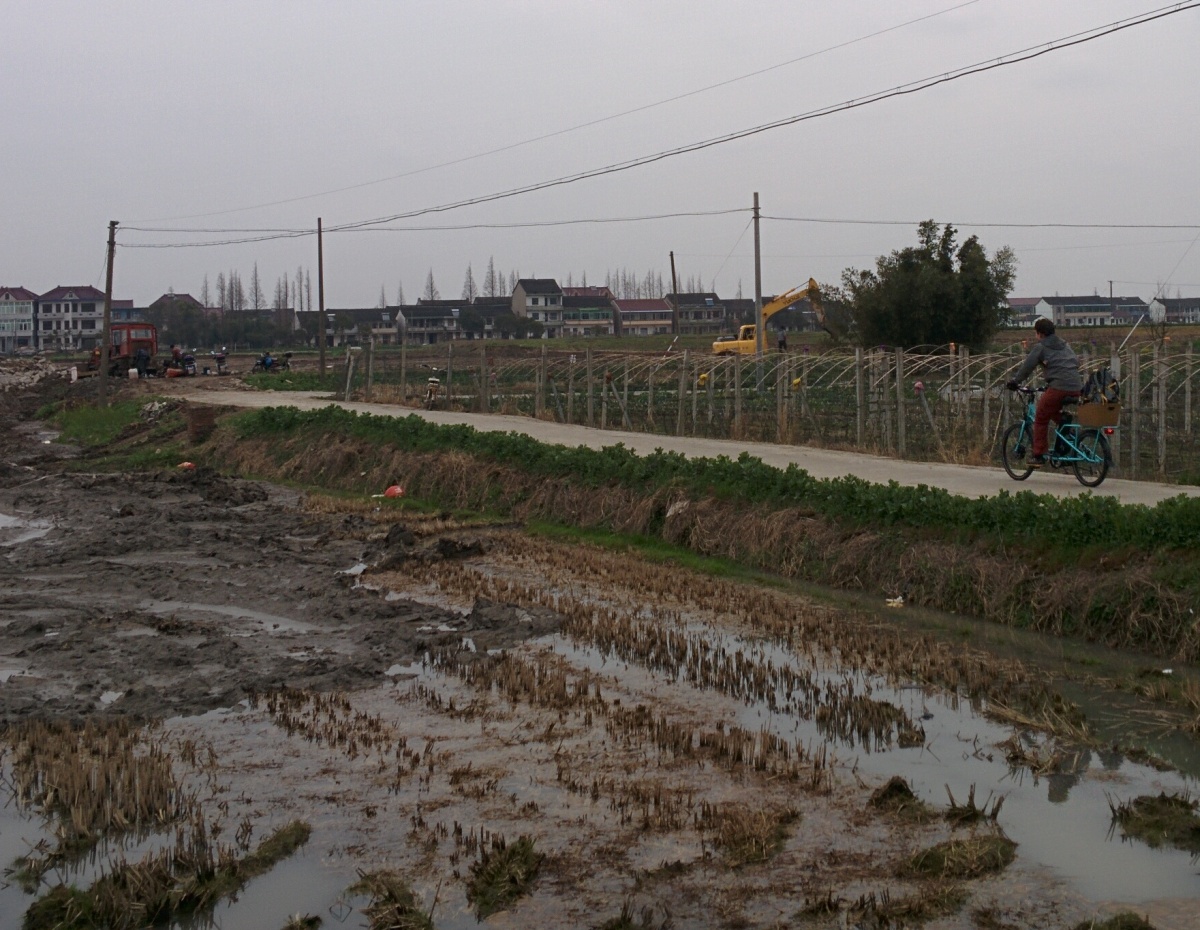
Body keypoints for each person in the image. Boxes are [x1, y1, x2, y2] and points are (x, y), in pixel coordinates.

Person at [1006, 318, 1082, 467]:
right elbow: (1075, 363)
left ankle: (1038, 455)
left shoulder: (1041, 347)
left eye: (1036, 333)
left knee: (1040, 416)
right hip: (1076, 387)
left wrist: (1015, 381)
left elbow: (1028, 366)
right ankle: (1068, 434)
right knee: (1052, 410)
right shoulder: (1065, 345)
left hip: (1059, 387)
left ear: (1039, 333)